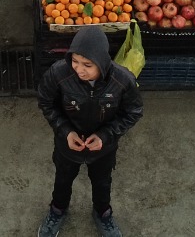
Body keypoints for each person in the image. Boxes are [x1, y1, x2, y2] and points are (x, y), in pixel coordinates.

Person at [35, 26, 142, 237]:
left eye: (87, 65)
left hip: (104, 150)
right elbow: (46, 102)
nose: (79, 70)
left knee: (102, 182)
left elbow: (134, 111)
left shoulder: (122, 80)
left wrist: (106, 136)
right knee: (63, 179)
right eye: (75, 61)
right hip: (67, 147)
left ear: (102, 62)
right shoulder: (58, 74)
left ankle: (103, 214)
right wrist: (65, 131)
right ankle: (57, 211)